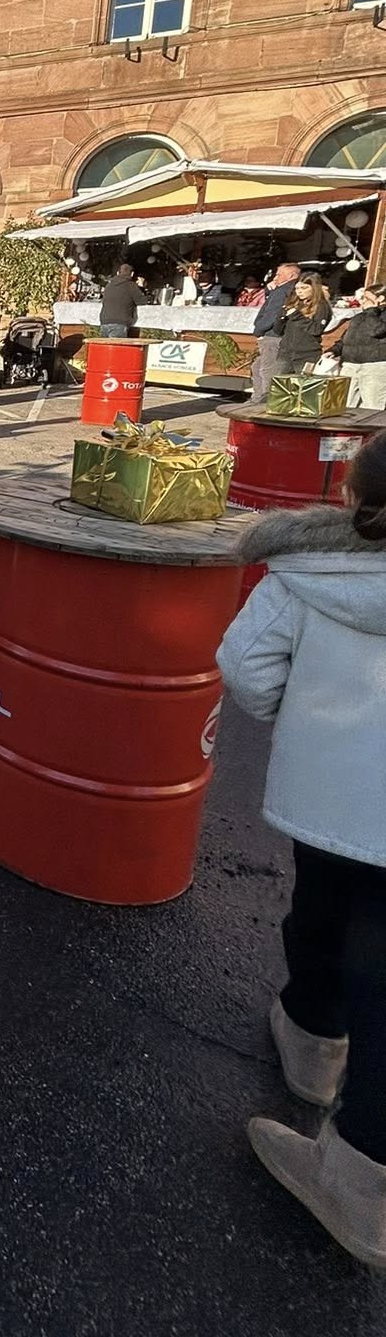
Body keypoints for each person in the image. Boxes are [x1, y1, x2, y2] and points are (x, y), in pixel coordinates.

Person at [216, 433, 386, 1269]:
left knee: (323, 914)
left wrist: (303, 721)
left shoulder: (312, 571)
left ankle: (320, 1063)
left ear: (354, 496)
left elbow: (246, 666)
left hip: (334, 800)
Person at [248, 261, 301, 403]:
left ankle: (265, 402)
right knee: (257, 367)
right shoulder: (285, 290)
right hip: (275, 335)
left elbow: (272, 313)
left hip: (272, 335)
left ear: (291, 275)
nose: (275, 278)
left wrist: (259, 330)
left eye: (279, 274)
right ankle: (257, 398)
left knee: (267, 369)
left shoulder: (283, 291)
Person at [336, 284, 386, 411]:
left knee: (372, 406)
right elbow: (346, 337)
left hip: (374, 365)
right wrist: (334, 350)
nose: (362, 301)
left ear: (380, 298)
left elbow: (377, 331)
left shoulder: (378, 315)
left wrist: (372, 311)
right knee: (343, 405)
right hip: (350, 365)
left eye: (366, 298)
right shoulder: (359, 316)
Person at [275, 273, 333, 376]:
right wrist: (282, 317)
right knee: (279, 384)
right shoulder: (294, 304)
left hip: (307, 356)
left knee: (303, 384)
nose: (300, 291)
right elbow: (278, 330)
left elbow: (316, 329)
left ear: (314, 288)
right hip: (286, 354)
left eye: (304, 288)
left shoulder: (321, 306)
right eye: (297, 288)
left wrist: (296, 315)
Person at [97, 263, 142, 339]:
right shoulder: (131, 285)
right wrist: (141, 287)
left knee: (105, 345)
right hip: (120, 322)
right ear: (132, 274)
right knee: (116, 346)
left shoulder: (109, 285)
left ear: (118, 273)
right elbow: (141, 301)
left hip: (104, 321)